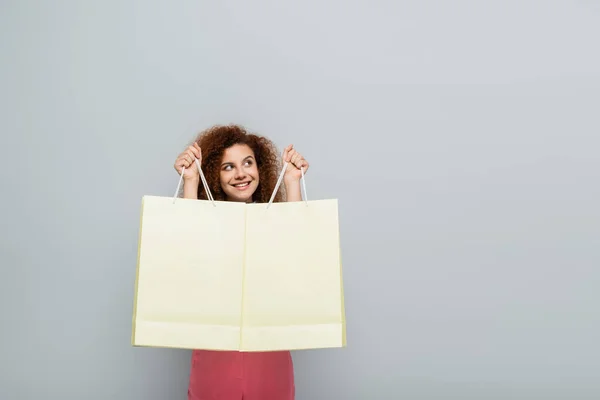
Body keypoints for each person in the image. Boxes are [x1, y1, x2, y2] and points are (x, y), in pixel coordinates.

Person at [173, 124, 309, 400]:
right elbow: (188, 252)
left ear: (260, 168)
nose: (241, 174)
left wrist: (293, 181)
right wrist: (190, 181)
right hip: (215, 352)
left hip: (270, 352)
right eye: (228, 167)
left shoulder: (273, 223)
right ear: (214, 175)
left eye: (248, 163)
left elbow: (297, 249)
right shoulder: (208, 225)